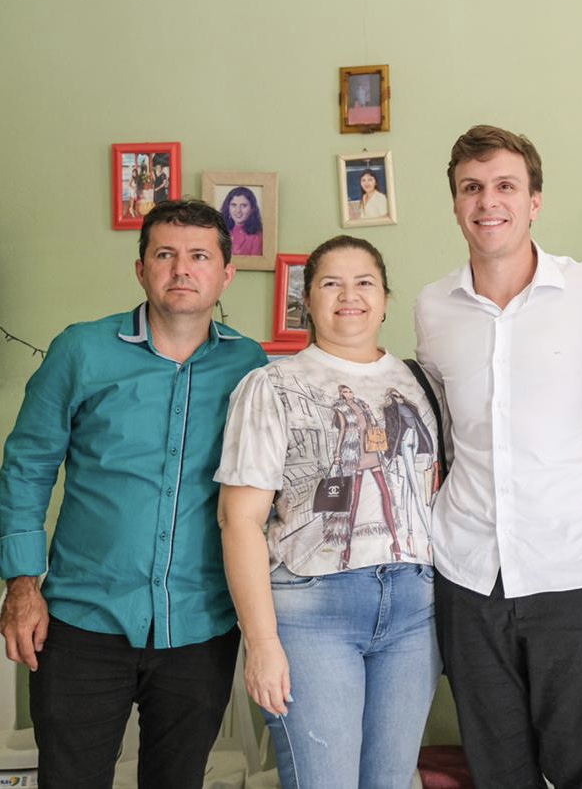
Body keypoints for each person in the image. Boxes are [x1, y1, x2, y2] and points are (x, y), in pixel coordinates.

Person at [0, 199, 265, 788]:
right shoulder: (80, 351)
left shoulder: (251, 367)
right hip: (80, 626)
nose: (181, 269)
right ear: (140, 268)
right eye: (165, 254)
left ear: (226, 272)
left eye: (199, 256)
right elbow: (26, 466)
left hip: (200, 627)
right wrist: (21, 584)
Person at [415, 124, 582, 787]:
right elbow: (437, 430)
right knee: (498, 772)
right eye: (471, 188)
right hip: (468, 573)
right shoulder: (431, 307)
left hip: (579, 573)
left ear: (534, 200)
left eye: (505, 185)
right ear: (455, 203)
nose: (489, 201)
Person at [216, 234, 443, 788]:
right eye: (331, 284)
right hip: (312, 612)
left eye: (364, 282)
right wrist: (263, 644)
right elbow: (239, 520)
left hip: (416, 612)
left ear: (386, 297)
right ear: (307, 301)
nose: (350, 296)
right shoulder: (271, 384)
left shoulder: (422, 382)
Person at [219, 186, 263, 256]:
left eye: (243, 206)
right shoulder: (221, 231)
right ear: (228, 207)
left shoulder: (257, 237)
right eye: (234, 205)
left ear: (252, 209)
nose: (238, 211)